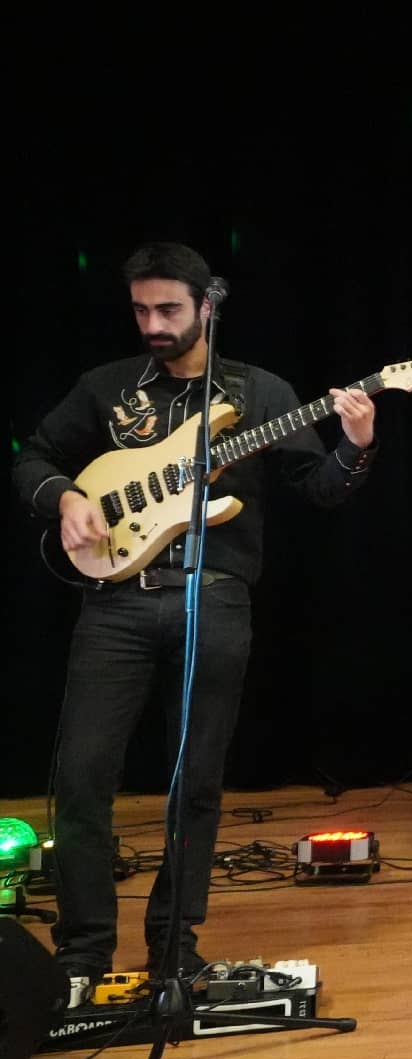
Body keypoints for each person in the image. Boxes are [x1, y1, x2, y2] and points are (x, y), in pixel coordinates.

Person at [12, 242, 378, 988]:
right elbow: (33, 457)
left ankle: (174, 945)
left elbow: (319, 489)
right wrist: (67, 499)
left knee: (197, 781)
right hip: (113, 602)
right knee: (81, 779)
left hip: (212, 599)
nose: (153, 323)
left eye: (169, 309)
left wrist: (357, 445)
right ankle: (83, 953)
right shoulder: (108, 387)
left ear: (207, 306)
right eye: (142, 309)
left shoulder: (261, 390)